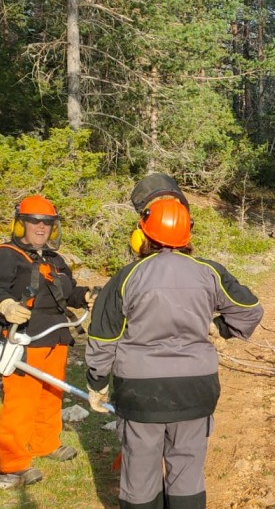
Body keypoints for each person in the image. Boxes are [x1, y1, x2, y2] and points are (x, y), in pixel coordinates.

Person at [85, 191, 263, 509]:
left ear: (142, 234)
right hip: (196, 389)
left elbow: (104, 337)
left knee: (139, 476)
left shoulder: (126, 277)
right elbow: (250, 310)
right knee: (187, 472)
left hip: (140, 393)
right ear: (187, 235)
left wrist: (96, 383)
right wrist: (221, 328)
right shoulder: (210, 271)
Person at [0, 195, 93, 489]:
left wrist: (85, 297)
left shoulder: (55, 259)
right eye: (34, 222)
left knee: (51, 394)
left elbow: (66, 292)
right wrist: (4, 305)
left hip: (56, 336)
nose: (41, 228)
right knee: (20, 402)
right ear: (21, 224)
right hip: (23, 340)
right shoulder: (4, 255)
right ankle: (12, 465)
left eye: (47, 223)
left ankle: (45, 443)